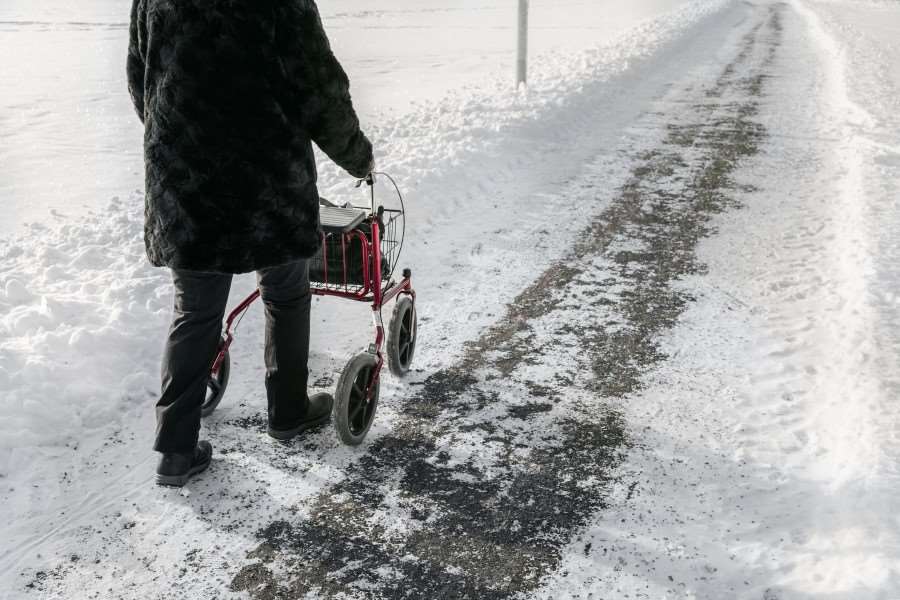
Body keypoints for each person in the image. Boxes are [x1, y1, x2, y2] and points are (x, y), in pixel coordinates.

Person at [126, 0, 374, 487]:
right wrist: (356, 154)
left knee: (195, 311)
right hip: (268, 172)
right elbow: (316, 83)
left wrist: (181, 136)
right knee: (286, 291)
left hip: (185, 174)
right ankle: (288, 411)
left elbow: (141, 75)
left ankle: (174, 451)